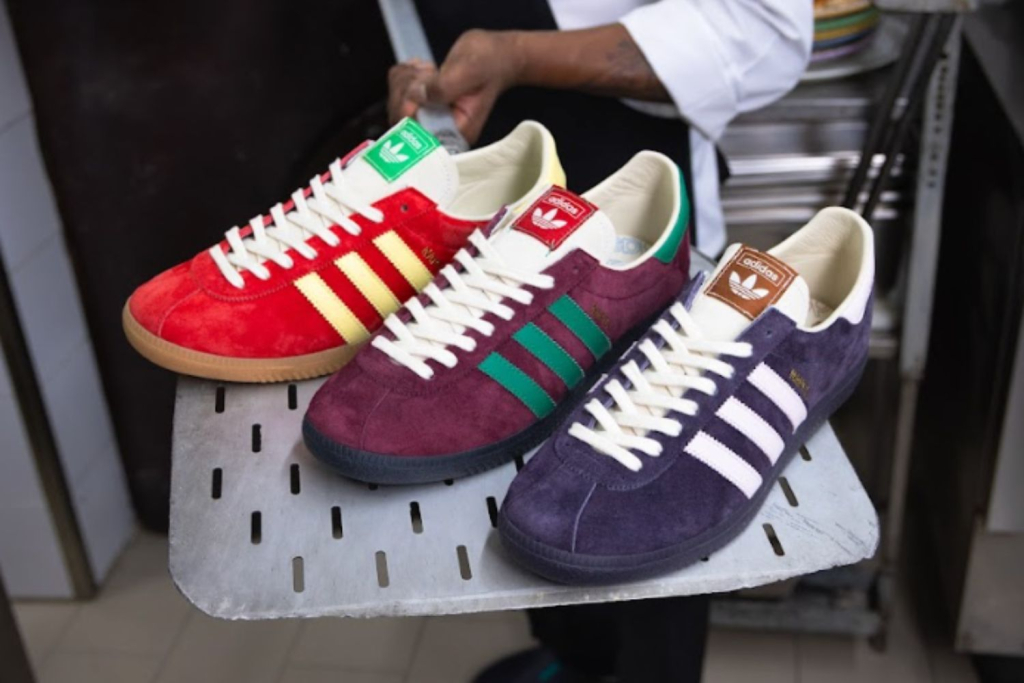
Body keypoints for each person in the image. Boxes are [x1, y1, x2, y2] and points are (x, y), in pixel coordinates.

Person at [388, 2, 812, 680]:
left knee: (646, 465)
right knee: (526, 492)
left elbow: (762, 28)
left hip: (629, 205)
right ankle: (574, 660)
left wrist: (517, 55)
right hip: (500, 210)